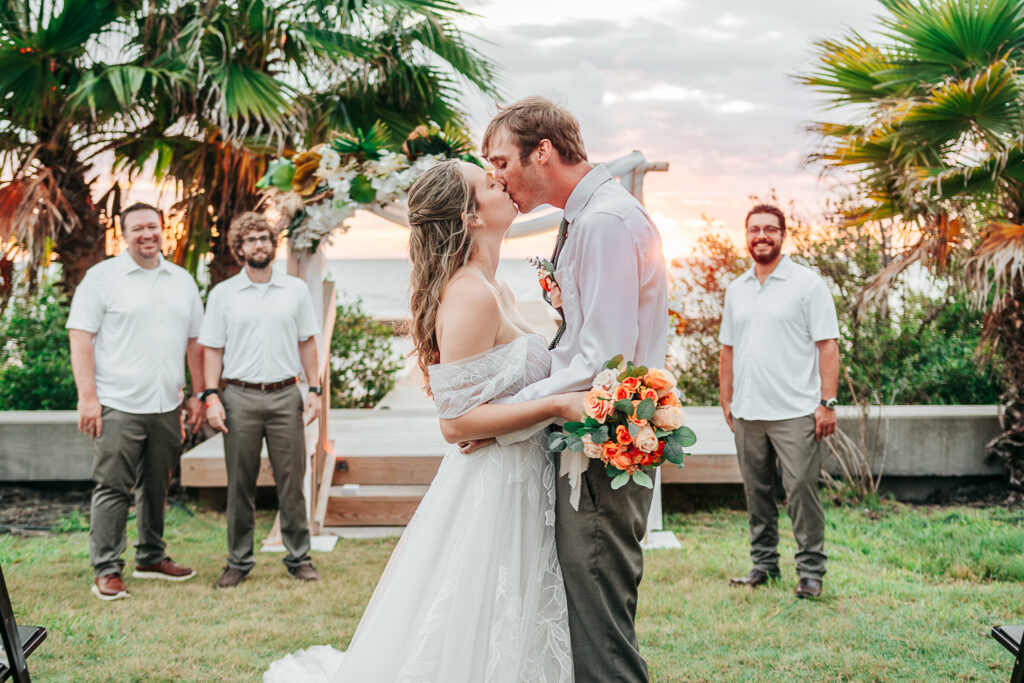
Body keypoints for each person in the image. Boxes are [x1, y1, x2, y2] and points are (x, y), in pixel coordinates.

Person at [264, 160, 585, 682]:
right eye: (488, 182)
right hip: (493, 485)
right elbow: (456, 424)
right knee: (479, 613)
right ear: (470, 216)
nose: (501, 180)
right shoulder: (470, 293)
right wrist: (556, 407)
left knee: (512, 614)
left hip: (519, 475)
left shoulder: (493, 286)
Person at [480, 96, 669, 682]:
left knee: (600, 628)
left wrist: (505, 411)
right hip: (589, 435)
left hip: (599, 446)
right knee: (588, 615)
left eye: (502, 162)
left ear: (543, 151)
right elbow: (581, 343)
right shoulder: (586, 216)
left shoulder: (606, 222)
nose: (497, 178)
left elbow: (602, 362)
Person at [67, 202, 205, 601]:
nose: (147, 234)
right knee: (112, 487)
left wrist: (195, 395)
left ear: (165, 230)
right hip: (118, 404)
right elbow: (80, 337)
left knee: (157, 486)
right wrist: (88, 398)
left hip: (167, 404)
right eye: (138, 228)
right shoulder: (102, 278)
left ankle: (151, 556)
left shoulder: (181, 280)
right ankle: (107, 569)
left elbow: (195, 342)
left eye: (153, 227)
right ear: (123, 234)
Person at [718, 204, 840, 599]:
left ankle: (810, 573)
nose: (761, 236)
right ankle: (764, 566)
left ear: (784, 235)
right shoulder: (737, 289)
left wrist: (828, 402)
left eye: (770, 229)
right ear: (747, 235)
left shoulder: (807, 284)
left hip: (796, 413)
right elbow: (728, 350)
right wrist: (726, 400)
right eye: (754, 229)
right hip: (748, 413)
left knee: (802, 492)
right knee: (757, 494)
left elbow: (828, 346)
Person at [199, 212, 323, 588]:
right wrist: (211, 398)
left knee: (292, 481)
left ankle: (299, 557)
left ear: (273, 245)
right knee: (240, 483)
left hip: (287, 395)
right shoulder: (223, 294)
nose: (258, 245)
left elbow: (307, 342)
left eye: (264, 238)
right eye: (250, 240)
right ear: (239, 249)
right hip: (239, 397)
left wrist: (314, 390)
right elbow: (212, 350)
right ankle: (238, 561)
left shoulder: (295, 290)